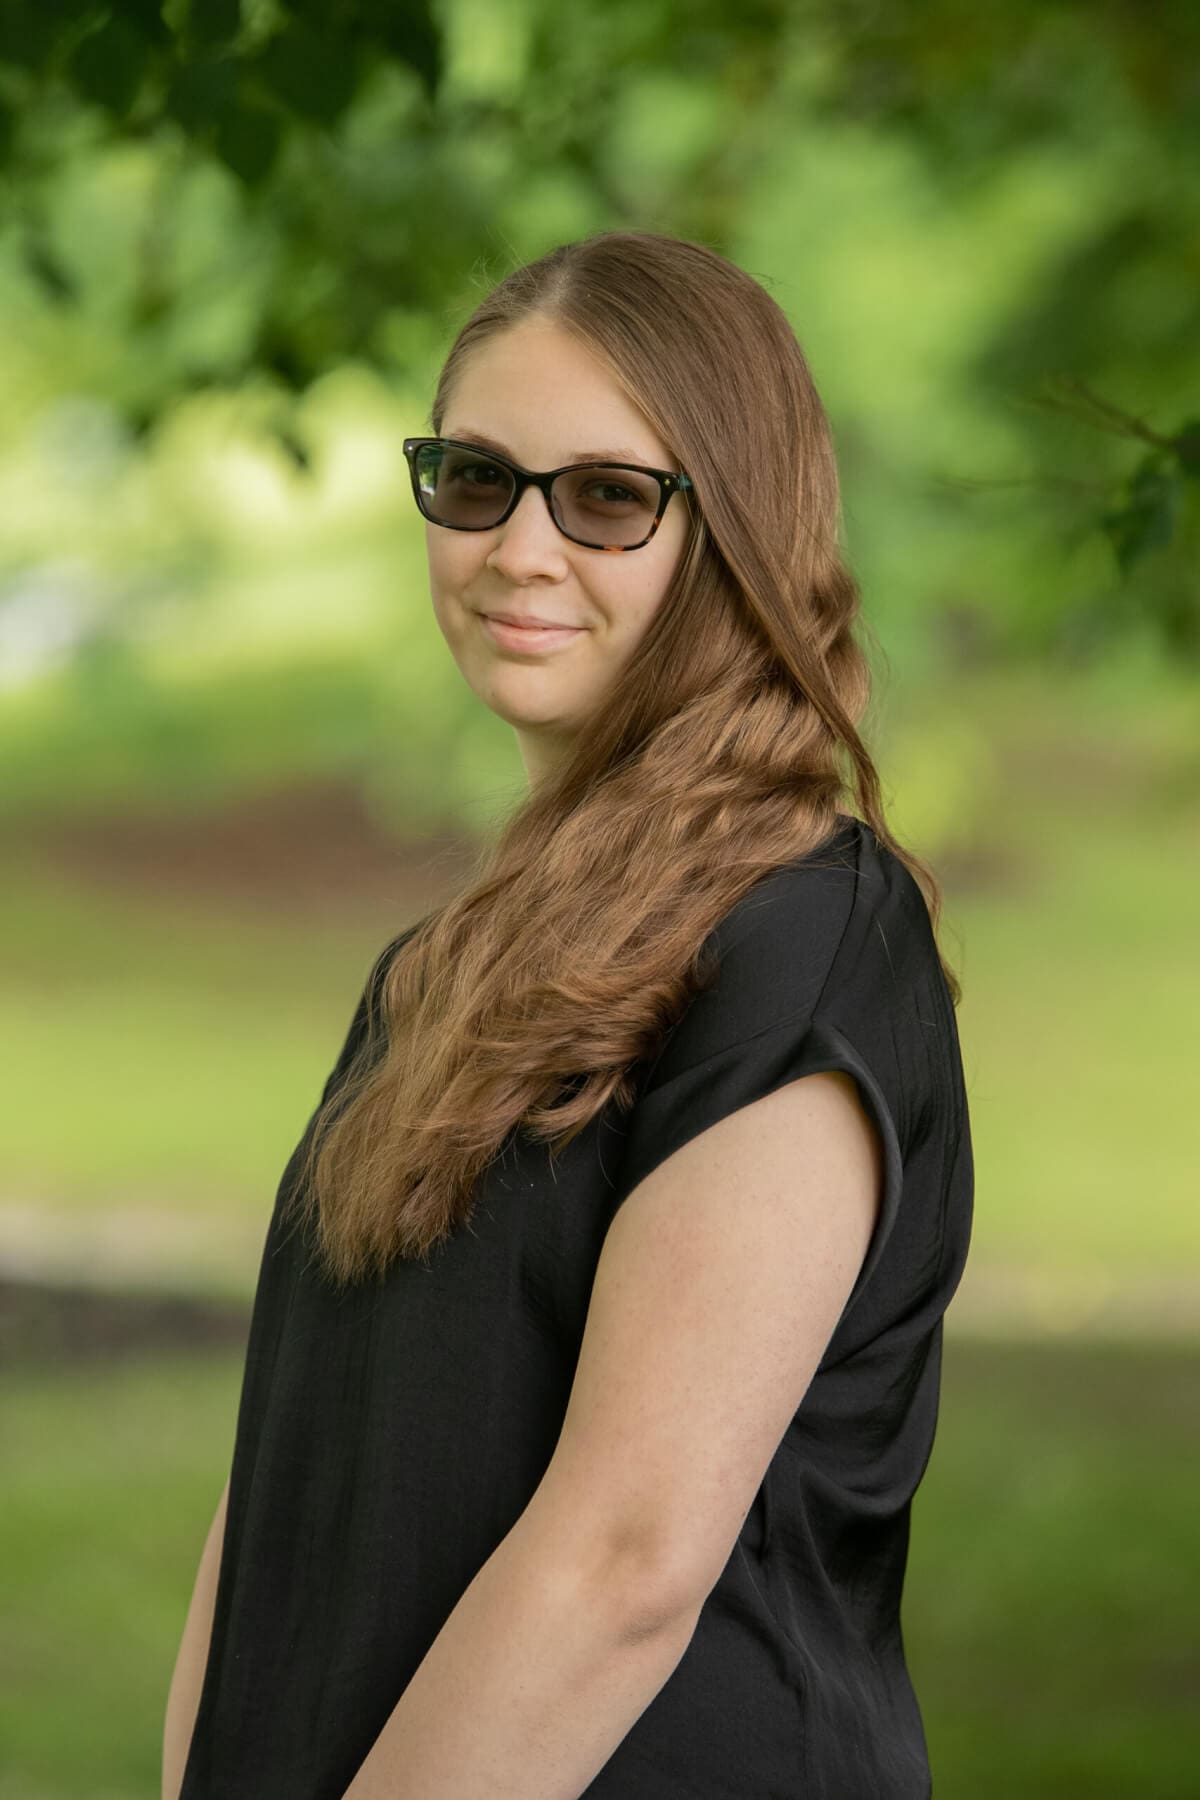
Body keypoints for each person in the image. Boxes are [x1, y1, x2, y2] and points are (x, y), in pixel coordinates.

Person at [163, 229, 973, 1800]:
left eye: (608, 497)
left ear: (733, 528)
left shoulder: (804, 933)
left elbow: (626, 1564)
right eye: (477, 479)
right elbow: (285, 1490)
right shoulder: (439, 973)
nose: (519, 548)